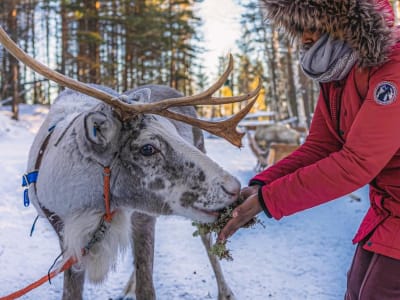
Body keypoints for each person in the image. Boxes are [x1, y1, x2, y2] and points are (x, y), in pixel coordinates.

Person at [218, 0, 400, 299]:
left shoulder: (393, 65)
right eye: (299, 28)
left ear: (347, 20)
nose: (305, 38)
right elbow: (322, 146)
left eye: (313, 26)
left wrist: (268, 201)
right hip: (386, 213)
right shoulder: (339, 72)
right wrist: (262, 185)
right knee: (356, 291)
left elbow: (357, 162)